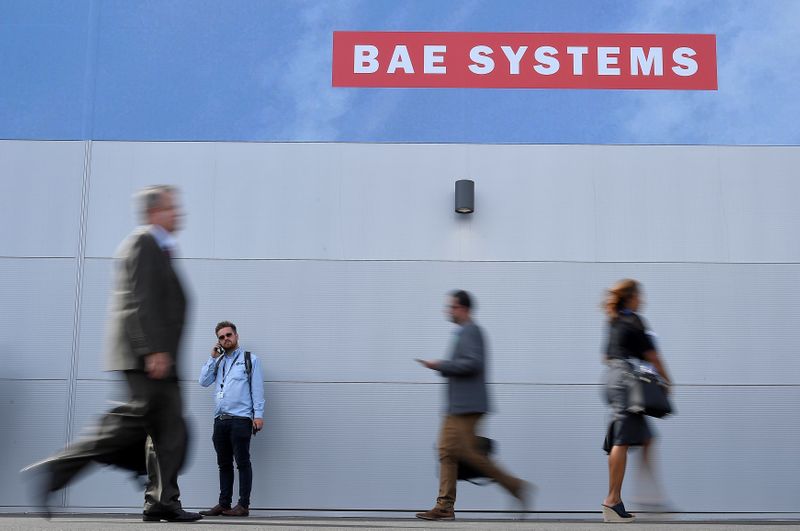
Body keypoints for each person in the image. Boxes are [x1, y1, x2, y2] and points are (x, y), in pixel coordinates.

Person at [22, 185, 202, 523]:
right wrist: (154, 350)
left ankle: (161, 501)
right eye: (171, 207)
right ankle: (55, 471)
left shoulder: (160, 248)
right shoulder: (143, 243)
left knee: (168, 429)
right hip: (147, 358)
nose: (178, 213)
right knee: (130, 425)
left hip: (160, 358)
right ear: (153, 213)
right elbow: (140, 301)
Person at [415, 290, 528, 521]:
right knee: (446, 451)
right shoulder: (462, 332)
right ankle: (444, 506)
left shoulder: (472, 331)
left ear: (464, 308)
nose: (448, 310)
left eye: (452, 307)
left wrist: (441, 365)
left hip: (467, 406)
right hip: (456, 407)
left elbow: (473, 363)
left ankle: (515, 486)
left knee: (468, 454)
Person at [601, 279, 672, 523]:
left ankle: (649, 496)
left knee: (646, 438)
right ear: (630, 297)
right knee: (621, 440)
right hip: (625, 379)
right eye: (639, 295)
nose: (642, 299)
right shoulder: (635, 320)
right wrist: (667, 380)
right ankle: (613, 500)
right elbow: (653, 356)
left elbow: (605, 356)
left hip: (613, 377)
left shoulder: (614, 320)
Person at [198, 321, 265, 517]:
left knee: (242, 462)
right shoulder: (218, 361)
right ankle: (224, 504)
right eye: (221, 337)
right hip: (220, 420)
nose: (226, 338)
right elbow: (203, 381)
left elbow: (257, 389)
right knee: (224, 464)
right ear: (218, 341)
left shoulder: (250, 359)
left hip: (240, 419)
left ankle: (243, 505)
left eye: (229, 335)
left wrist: (258, 415)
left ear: (236, 336)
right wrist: (212, 358)